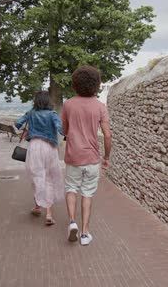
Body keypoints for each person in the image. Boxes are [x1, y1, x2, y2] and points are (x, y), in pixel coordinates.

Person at [61, 65, 112, 246]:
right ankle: (85, 233)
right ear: (96, 84)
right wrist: (106, 158)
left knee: (71, 189)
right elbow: (107, 135)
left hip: (73, 156)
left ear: (75, 84)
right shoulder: (100, 106)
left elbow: (64, 130)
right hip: (92, 158)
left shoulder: (68, 104)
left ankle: (72, 222)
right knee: (87, 193)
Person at [15, 91, 65, 226]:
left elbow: (17, 123)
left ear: (36, 101)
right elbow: (61, 129)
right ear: (49, 101)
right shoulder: (52, 114)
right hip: (49, 147)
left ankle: (37, 207)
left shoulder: (31, 113)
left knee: (36, 176)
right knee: (49, 178)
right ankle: (48, 214)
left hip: (34, 147)